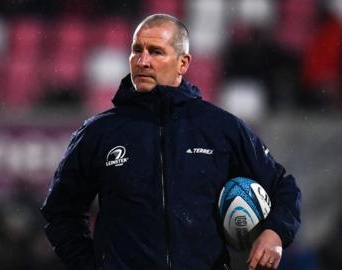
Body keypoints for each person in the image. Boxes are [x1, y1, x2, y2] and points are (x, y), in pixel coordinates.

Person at [40, 14, 301, 270]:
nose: (143, 61)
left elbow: (283, 188)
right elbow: (60, 212)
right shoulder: (99, 132)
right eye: (136, 50)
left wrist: (274, 234)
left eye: (155, 52)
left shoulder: (221, 128)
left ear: (183, 63)